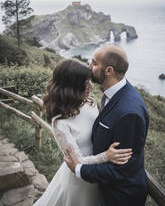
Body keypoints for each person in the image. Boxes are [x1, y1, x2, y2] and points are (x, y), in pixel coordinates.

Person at [33, 58, 132, 206]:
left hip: (99, 175)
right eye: (85, 84)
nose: (90, 88)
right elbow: (76, 161)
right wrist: (107, 156)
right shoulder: (60, 122)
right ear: (70, 87)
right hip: (79, 181)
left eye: (89, 82)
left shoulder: (90, 103)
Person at [65, 45, 149, 206]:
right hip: (107, 189)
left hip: (120, 196)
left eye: (94, 63)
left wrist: (79, 169)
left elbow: (122, 170)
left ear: (108, 70)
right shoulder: (113, 93)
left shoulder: (129, 113)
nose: (89, 66)